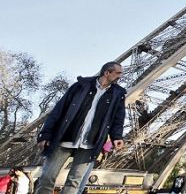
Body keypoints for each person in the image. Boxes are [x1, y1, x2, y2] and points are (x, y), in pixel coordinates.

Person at [33, 62, 126, 194]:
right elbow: (59, 110)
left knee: (74, 182)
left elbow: (118, 118)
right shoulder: (81, 86)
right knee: (47, 177)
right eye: (118, 73)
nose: (121, 76)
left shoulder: (118, 94)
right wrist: (45, 134)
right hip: (65, 138)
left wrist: (117, 136)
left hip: (90, 143)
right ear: (107, 73)